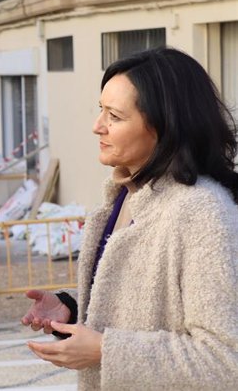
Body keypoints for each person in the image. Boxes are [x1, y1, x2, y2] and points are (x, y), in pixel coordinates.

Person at [21, 47, 238, 389]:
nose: (97, 127)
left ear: (165, 127)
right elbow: (150, 309)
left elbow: (225, 361)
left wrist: (106, 350)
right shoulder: (123, 197)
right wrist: (73, 310)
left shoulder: (202, 213)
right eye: (100, 111)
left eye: (115, 116)